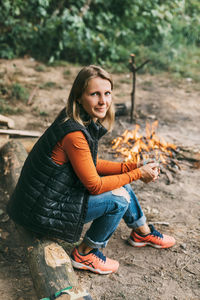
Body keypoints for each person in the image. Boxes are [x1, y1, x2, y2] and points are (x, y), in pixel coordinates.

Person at [7, 65, 175, 275]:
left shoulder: (76, 118)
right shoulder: (74, 134)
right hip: (41, 212)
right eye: (95, 94)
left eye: (107, 93)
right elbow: (94, 186)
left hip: (40, 202)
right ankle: (85, 253)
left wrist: (133, 167)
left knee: (121, 181)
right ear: (79, 97)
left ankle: (142, 232)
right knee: (119, 199)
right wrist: (138, 174)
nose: (103, 101)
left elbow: (91, 164)